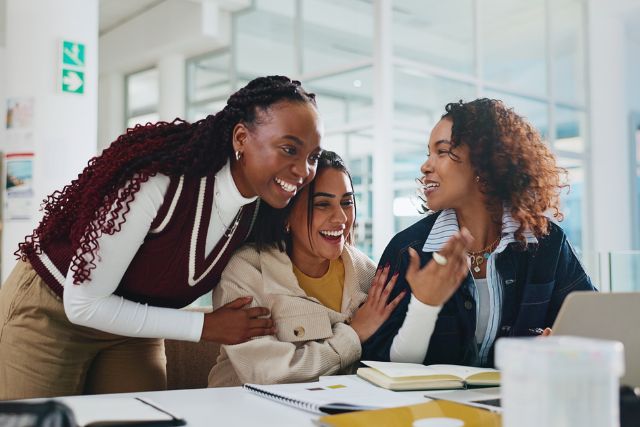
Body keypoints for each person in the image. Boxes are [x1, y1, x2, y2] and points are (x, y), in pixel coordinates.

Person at [0, 76, 323, 400]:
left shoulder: (260, 211)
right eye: (289, 149)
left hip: (131, 325)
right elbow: (82, 303)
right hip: (53, 308)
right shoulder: (158, 183)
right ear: (241, 137)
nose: (303, 170)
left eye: (312, 156)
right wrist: (205, 327)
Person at [362, 98, 596, 368]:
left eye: (442, 152)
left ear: (484, 163)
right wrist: (424, 305)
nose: (425, 166)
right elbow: (378, 361)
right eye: (428, 153)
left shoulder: (547, 243)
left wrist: (558, 345)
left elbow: (590, 328)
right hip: (430, 409)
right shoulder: (409, 250)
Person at [208, 151, 405, 387]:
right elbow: (266, 373)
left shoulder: (369, 275)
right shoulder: (247, 270)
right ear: (286, 215)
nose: (341, 217)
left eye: (347, 202)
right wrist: (353, 335)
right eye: (322, 204)